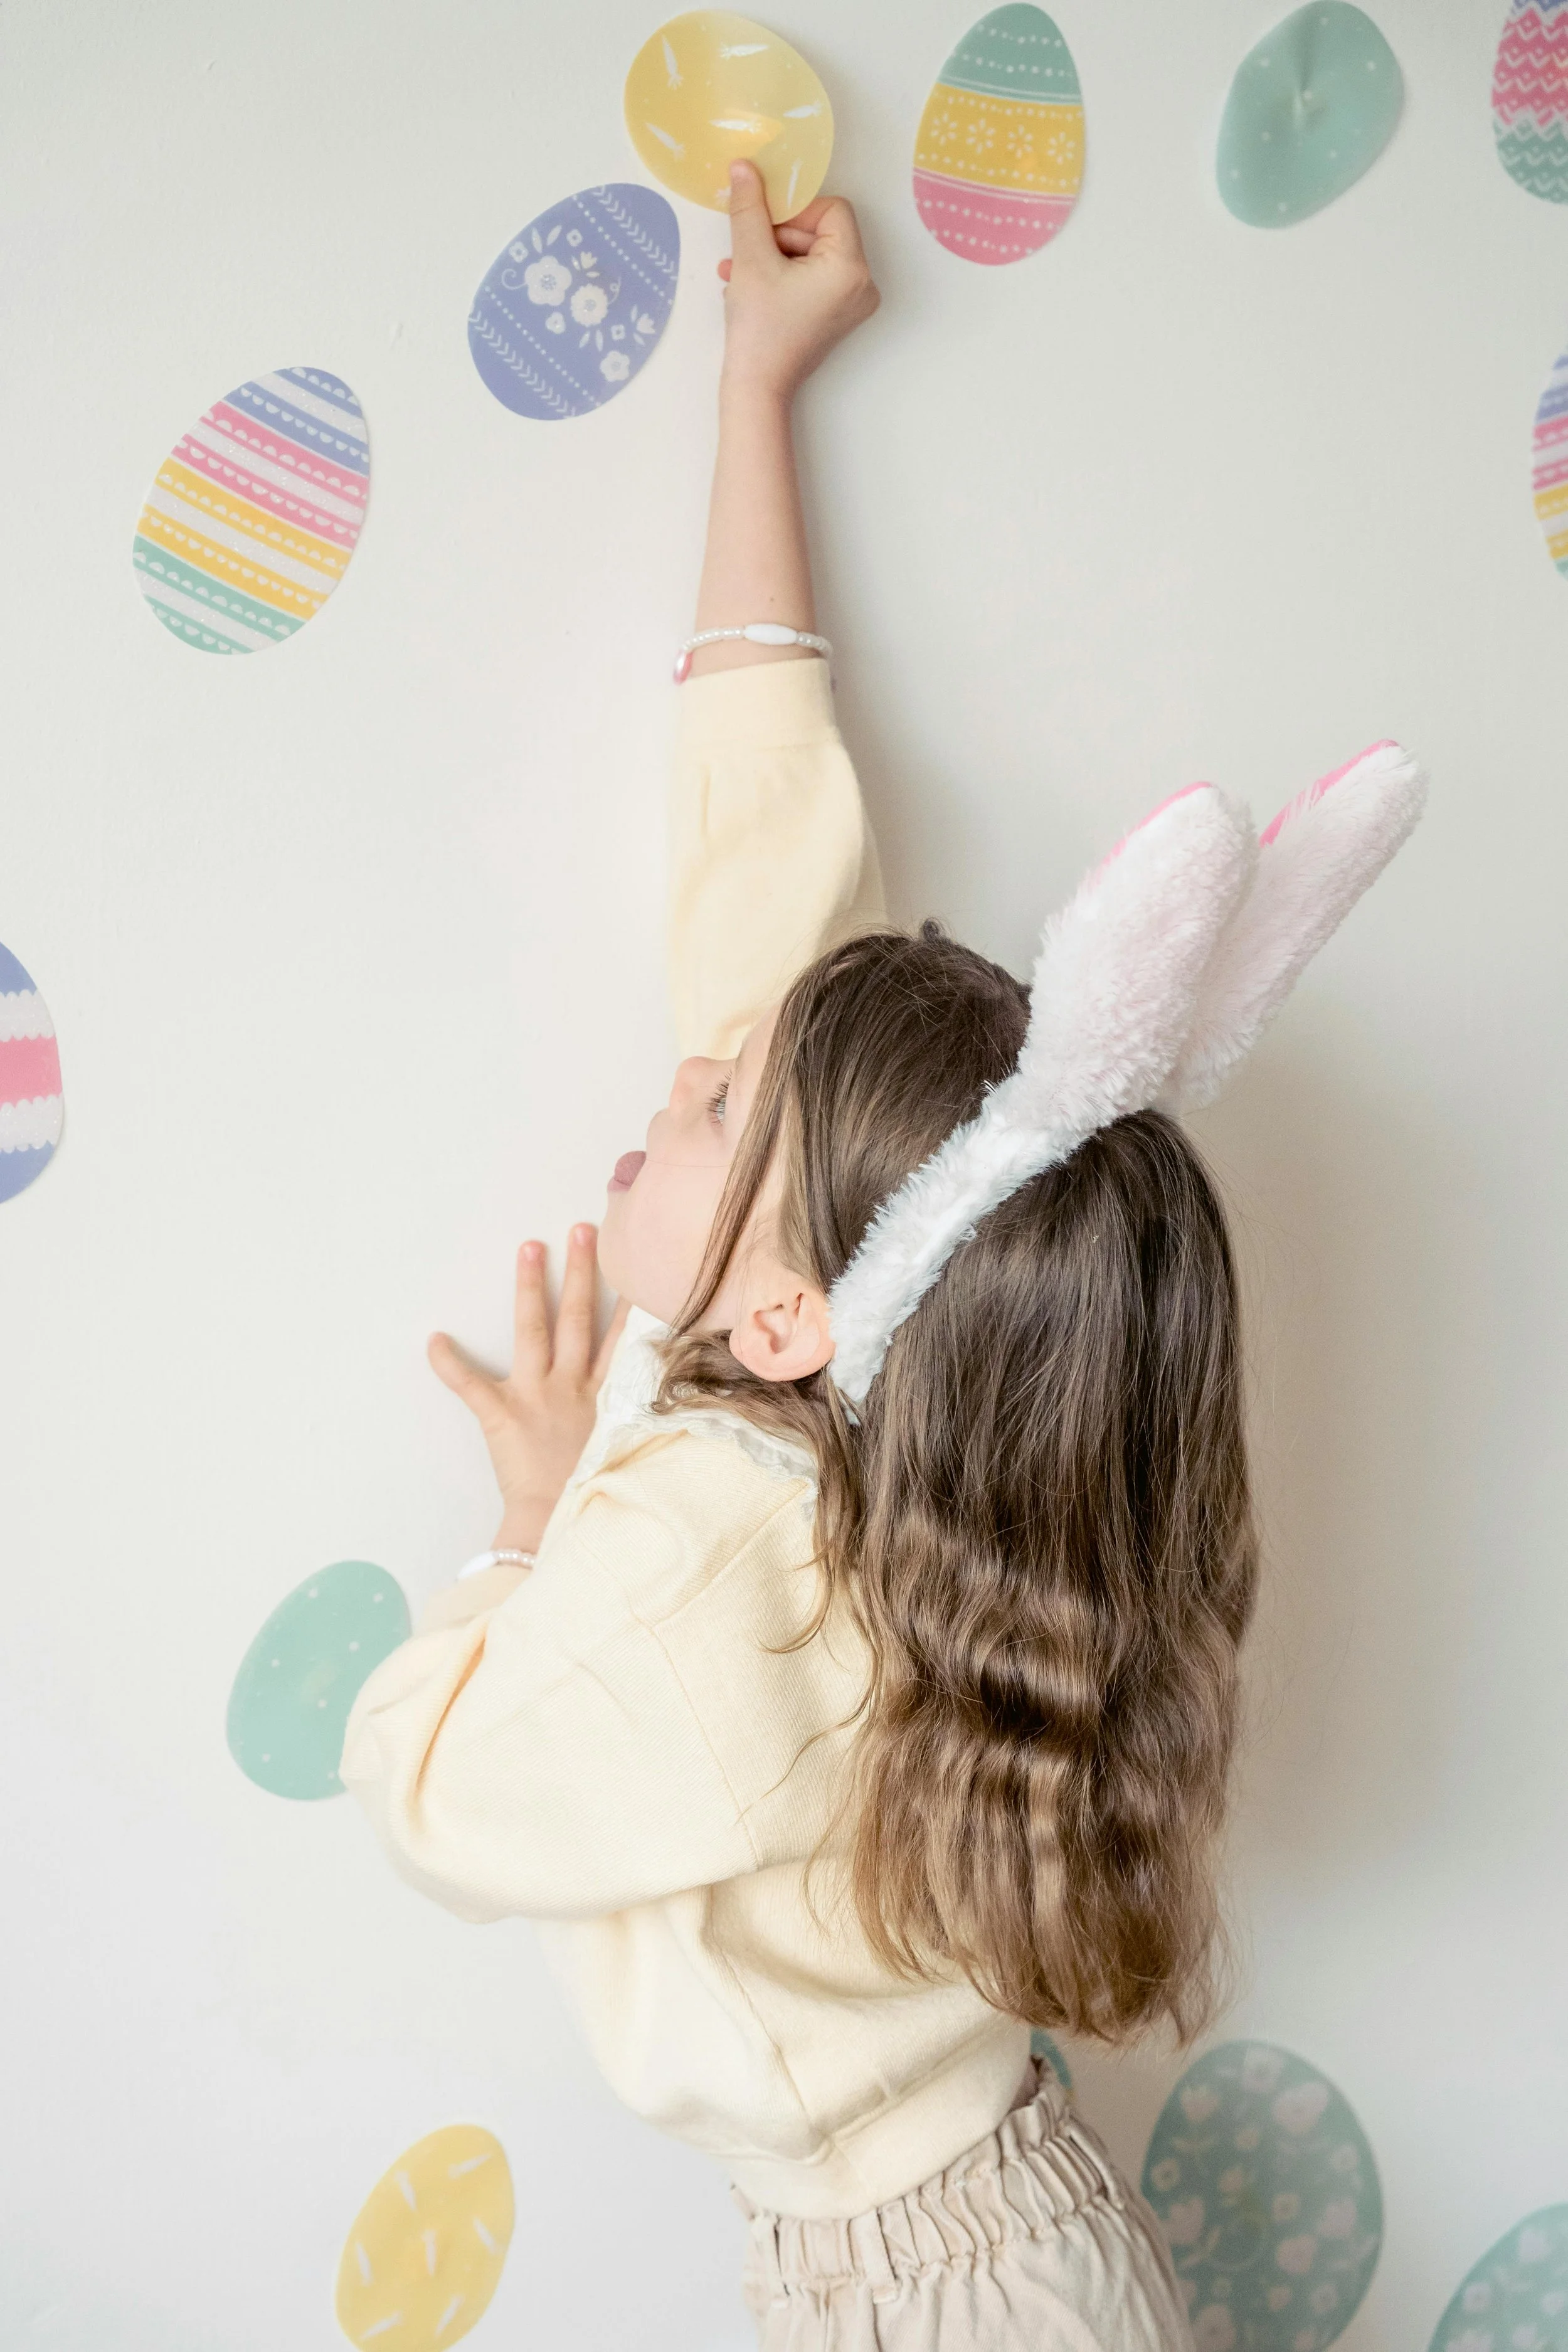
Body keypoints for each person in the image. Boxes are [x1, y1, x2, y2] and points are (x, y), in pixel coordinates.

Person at [342, 157, 1421, 2349]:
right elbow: (764, 837)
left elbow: (440, 1785)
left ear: (786, 1295)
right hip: (995, 2233)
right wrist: (757, 384)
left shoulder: (712, 1531)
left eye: (723, 1099)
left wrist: (533, 1525)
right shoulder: (862, 1388)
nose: (682, 1078)